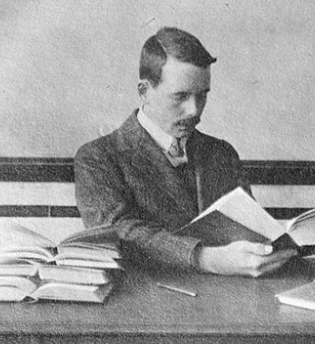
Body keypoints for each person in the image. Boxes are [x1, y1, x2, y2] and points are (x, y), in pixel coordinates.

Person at [74, 27, 297, 277]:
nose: (194, 110)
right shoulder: (98, 157)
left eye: (202, 96)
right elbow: (118, 233)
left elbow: (250, 228)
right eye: (180, 96)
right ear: (144, 91)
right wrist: (205, 258)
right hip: (142, 303)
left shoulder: (222, 153)